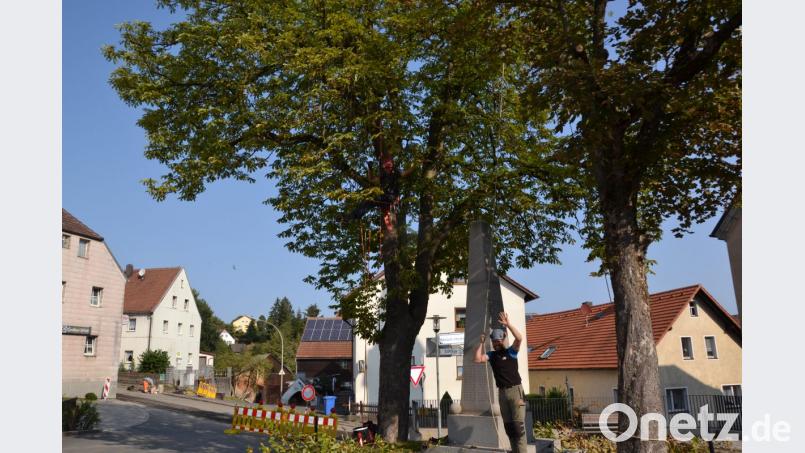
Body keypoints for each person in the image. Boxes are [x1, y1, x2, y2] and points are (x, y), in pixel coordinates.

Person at [474, 312, 527, 453]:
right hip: (502, 393)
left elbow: (519, 338)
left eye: (498, 341)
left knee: (518, 427)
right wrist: (481, 342)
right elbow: (478, 359)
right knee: (509, 428)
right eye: (494, 342)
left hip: (516, 391)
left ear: (503, 340)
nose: (496, 344)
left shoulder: (511, 352)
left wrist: (508, 324)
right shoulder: (492, 355)